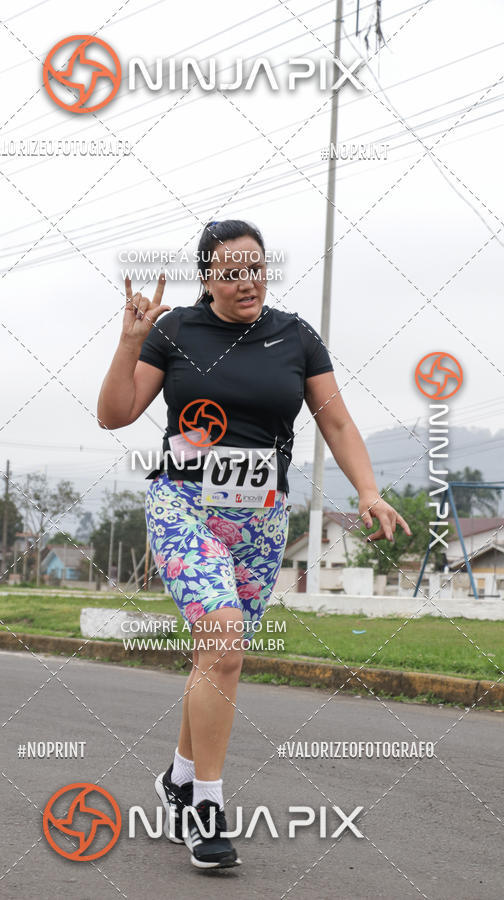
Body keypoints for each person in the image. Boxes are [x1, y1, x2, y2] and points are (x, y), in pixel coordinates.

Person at [97, 219, 411, 869]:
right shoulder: (175, 330)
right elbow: (116, 413)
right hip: (183, 503)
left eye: (257, 268)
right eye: (233, 270)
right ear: (208, 277)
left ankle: (179, 778)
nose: (248, 281)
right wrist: (128, 343)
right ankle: (205, 809)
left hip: (261, 518)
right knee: (222, 644)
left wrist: (370, 491)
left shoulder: (296, 336)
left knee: (220, 657)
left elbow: (338, 420)